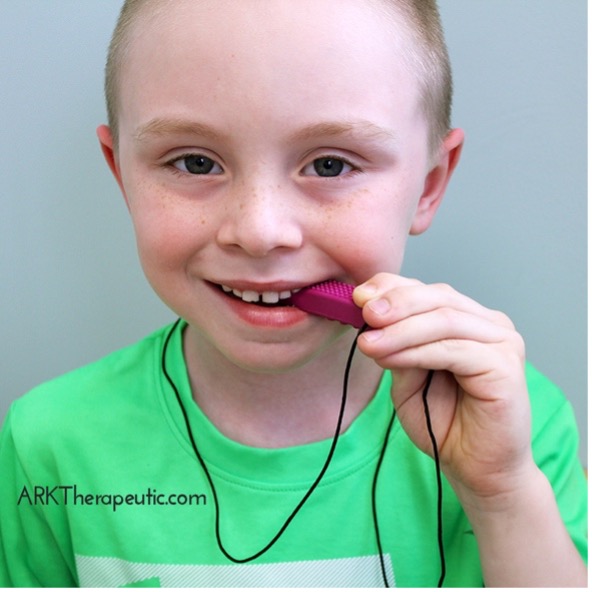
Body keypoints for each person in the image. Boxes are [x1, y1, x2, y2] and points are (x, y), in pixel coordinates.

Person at [0, 0, 587, 587]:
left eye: (330, 165)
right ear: (122, 174)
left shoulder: (512, 426)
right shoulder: (49, 443)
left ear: (429, 185)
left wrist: (503, 495)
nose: (259, 232)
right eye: (196, 162)